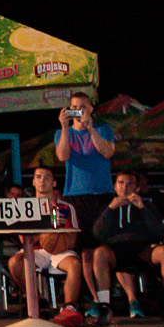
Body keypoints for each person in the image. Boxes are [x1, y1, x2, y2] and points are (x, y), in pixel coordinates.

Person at [90, 170, 164, 322]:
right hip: (116, 250)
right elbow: (97, 234)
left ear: (137, 188)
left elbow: (159, 232)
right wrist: (110, 209)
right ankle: (104, 306)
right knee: (99, 253)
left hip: (143, 249)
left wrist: (142, 208)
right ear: (115, 187)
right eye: (121, 183)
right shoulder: (106, 206)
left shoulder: (147, 205)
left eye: (130, 183)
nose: (125, 187)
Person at [5, 166, 85, 325]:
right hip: (35, 250)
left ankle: (69, 307)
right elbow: (24, 239)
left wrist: (54, 236)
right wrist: (49, 228)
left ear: (54, 183)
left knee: (75, 264)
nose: (42, 180)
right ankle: (38, 300)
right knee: (14, 262)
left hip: (60, 251)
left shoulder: (66, 207)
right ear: (33, 182)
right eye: (39, 177)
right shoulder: (25, 208)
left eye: (47, 177)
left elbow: (71, 240)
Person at [52, 92, 116, 245]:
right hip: (75, 194)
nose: (78, 111)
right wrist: (64, 127)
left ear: (91, 109)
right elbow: (62, 156)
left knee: (103, 241)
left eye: (82, 107)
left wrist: (90, 128)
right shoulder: (61, 133)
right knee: (83, 244)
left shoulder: (103, 129)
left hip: (102, 193)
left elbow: (108, 152)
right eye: (74, 107)